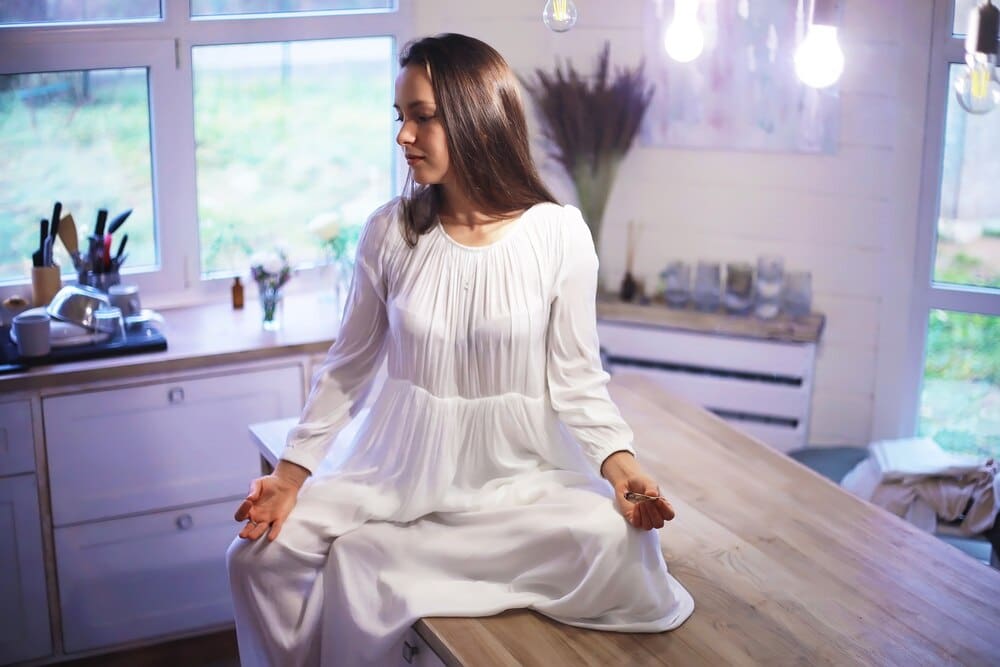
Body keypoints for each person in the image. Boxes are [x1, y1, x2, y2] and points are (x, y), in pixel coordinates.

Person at [227, 32, 694, 666]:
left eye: (422, 117)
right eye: (401, 117)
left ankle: (402, 563)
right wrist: (289, 475)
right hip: (397, 472)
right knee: (258, 556)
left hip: (520, 478)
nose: (403, 136)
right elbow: (349, 368)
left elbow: (579, 380)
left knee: (614, 538)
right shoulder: (389, 232)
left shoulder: (558, 234)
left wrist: (622, 468)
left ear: (476, 117)